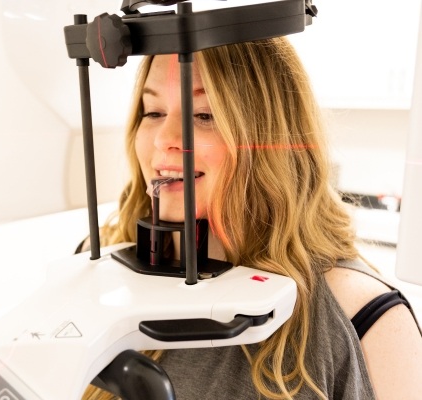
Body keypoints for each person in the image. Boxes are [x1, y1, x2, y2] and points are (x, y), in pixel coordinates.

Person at [80, 37, 422, 399]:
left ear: (270, 135)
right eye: (153, 112)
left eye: (204, 115)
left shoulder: (369, 320)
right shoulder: (99, 261)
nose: (164, 140)